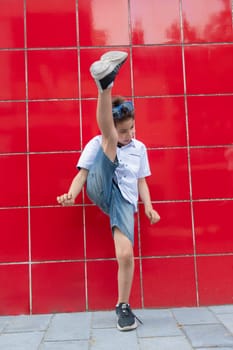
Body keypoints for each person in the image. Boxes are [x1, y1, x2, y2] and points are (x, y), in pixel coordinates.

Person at [57, 51, 160, 331]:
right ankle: (106, 85)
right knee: (110, 144)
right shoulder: (98, 142)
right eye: (125, 130)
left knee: (126, 255)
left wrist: (148, 206)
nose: (131, 135)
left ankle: (123, 305)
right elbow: (83, 174)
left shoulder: (140, 149)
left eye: (132, 128)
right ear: (114, 126)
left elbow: (141, 181)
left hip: (124, 202)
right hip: (101, 187)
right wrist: (71, 194)